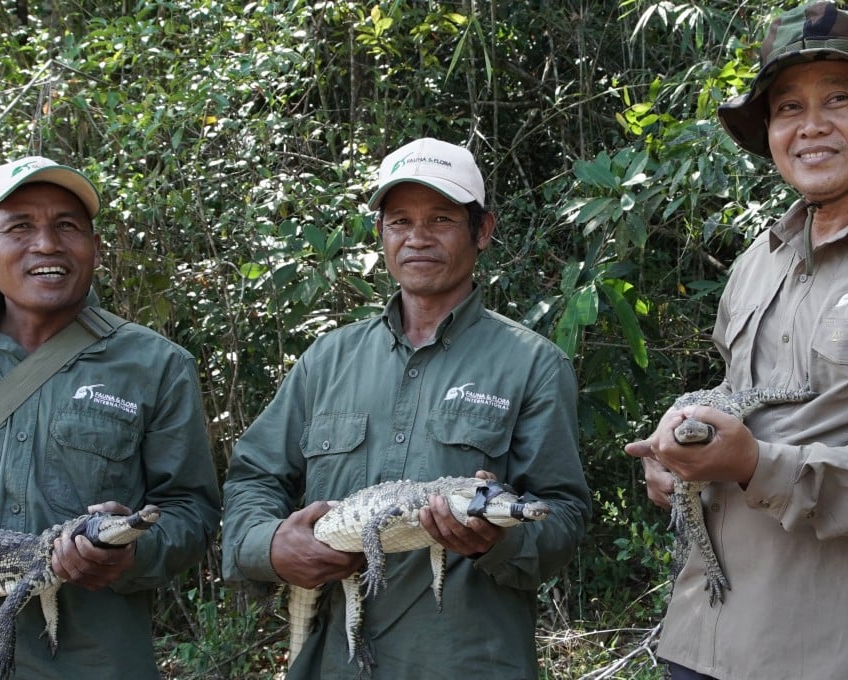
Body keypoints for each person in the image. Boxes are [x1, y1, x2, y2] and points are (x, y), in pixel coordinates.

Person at [625, 3, 848, 679]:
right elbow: (733, 395)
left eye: (840, 99)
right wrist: (676, 437)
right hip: (700, 638)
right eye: (788, 106)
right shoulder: (760, 259)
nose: (811, 126)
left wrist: (756, 466)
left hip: (834, 655)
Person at [222, 137, 591, 678]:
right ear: (381, 234)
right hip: (332, 661)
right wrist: (273, 546)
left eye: (441, 218)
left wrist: (498, 543)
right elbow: (254, 477)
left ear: (481, 231)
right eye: (399, 221)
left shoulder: (533, 365)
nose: (418, 238)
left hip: (465, 661)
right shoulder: (327, 359)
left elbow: (563, 515)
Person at [0, 156, 222, 679]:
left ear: (95, 248)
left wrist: (130, 552)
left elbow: (191, 512)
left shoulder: (156, 365)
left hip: (93, 661)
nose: (47, 244)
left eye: (67, 225)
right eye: (19, 227)